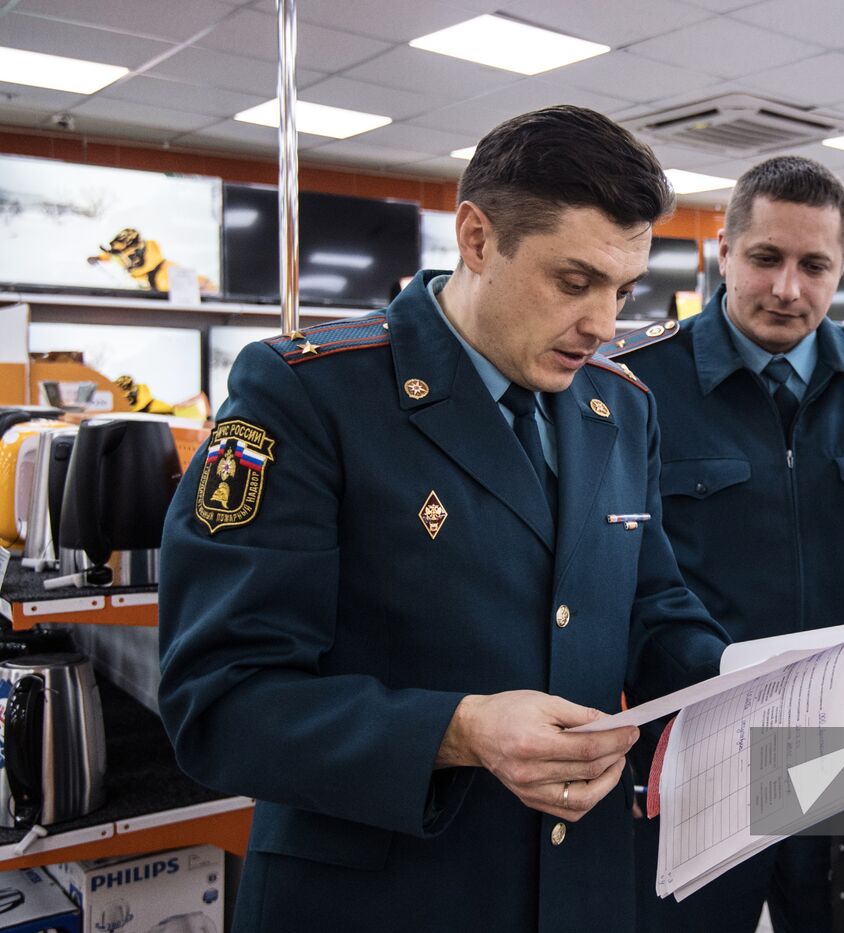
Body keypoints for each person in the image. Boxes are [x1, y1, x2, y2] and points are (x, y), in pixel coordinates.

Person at [157, 106, 730, 932]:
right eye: (574, 282)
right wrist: (459, 730)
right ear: (477, 238)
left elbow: (651, 608)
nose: (604, 325)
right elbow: (220, 702)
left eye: (622, 290)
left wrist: (756, 683)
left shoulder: (620, 406)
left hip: (582, 887)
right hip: (380, 899)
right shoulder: (308, 396)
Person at [604, 155, 844, 933]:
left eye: (814, 266)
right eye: (765, 258)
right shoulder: (636, 384)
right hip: (697, 753)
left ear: (842, 267)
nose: (787, 289)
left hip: (842, 750)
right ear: (724, 251)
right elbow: (609, 579)